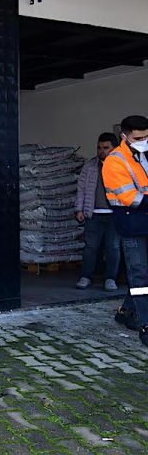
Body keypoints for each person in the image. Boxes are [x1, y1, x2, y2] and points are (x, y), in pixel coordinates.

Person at [103, 115, 148, 348]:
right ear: (124, 136)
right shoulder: (114, 161)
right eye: (138, 138)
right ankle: (146, 326)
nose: (144, 140)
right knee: (140, 276)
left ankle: (126, 311)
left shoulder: (143, 154)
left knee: (141, 273)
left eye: (147, 136)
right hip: (131, 225)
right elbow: (132, 198)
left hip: (145, 222)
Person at [74, 132, 120, 291]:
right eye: (99, 147)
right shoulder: (90, 166)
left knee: (113, 247)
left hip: (115, 215)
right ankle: (86, 276)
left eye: (106, 147)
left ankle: (110, 279)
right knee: (90, 248)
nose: (102, 151)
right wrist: (79, 209)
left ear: (115, 148)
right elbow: (81, 189)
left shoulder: (122, 166)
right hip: (93, 214)